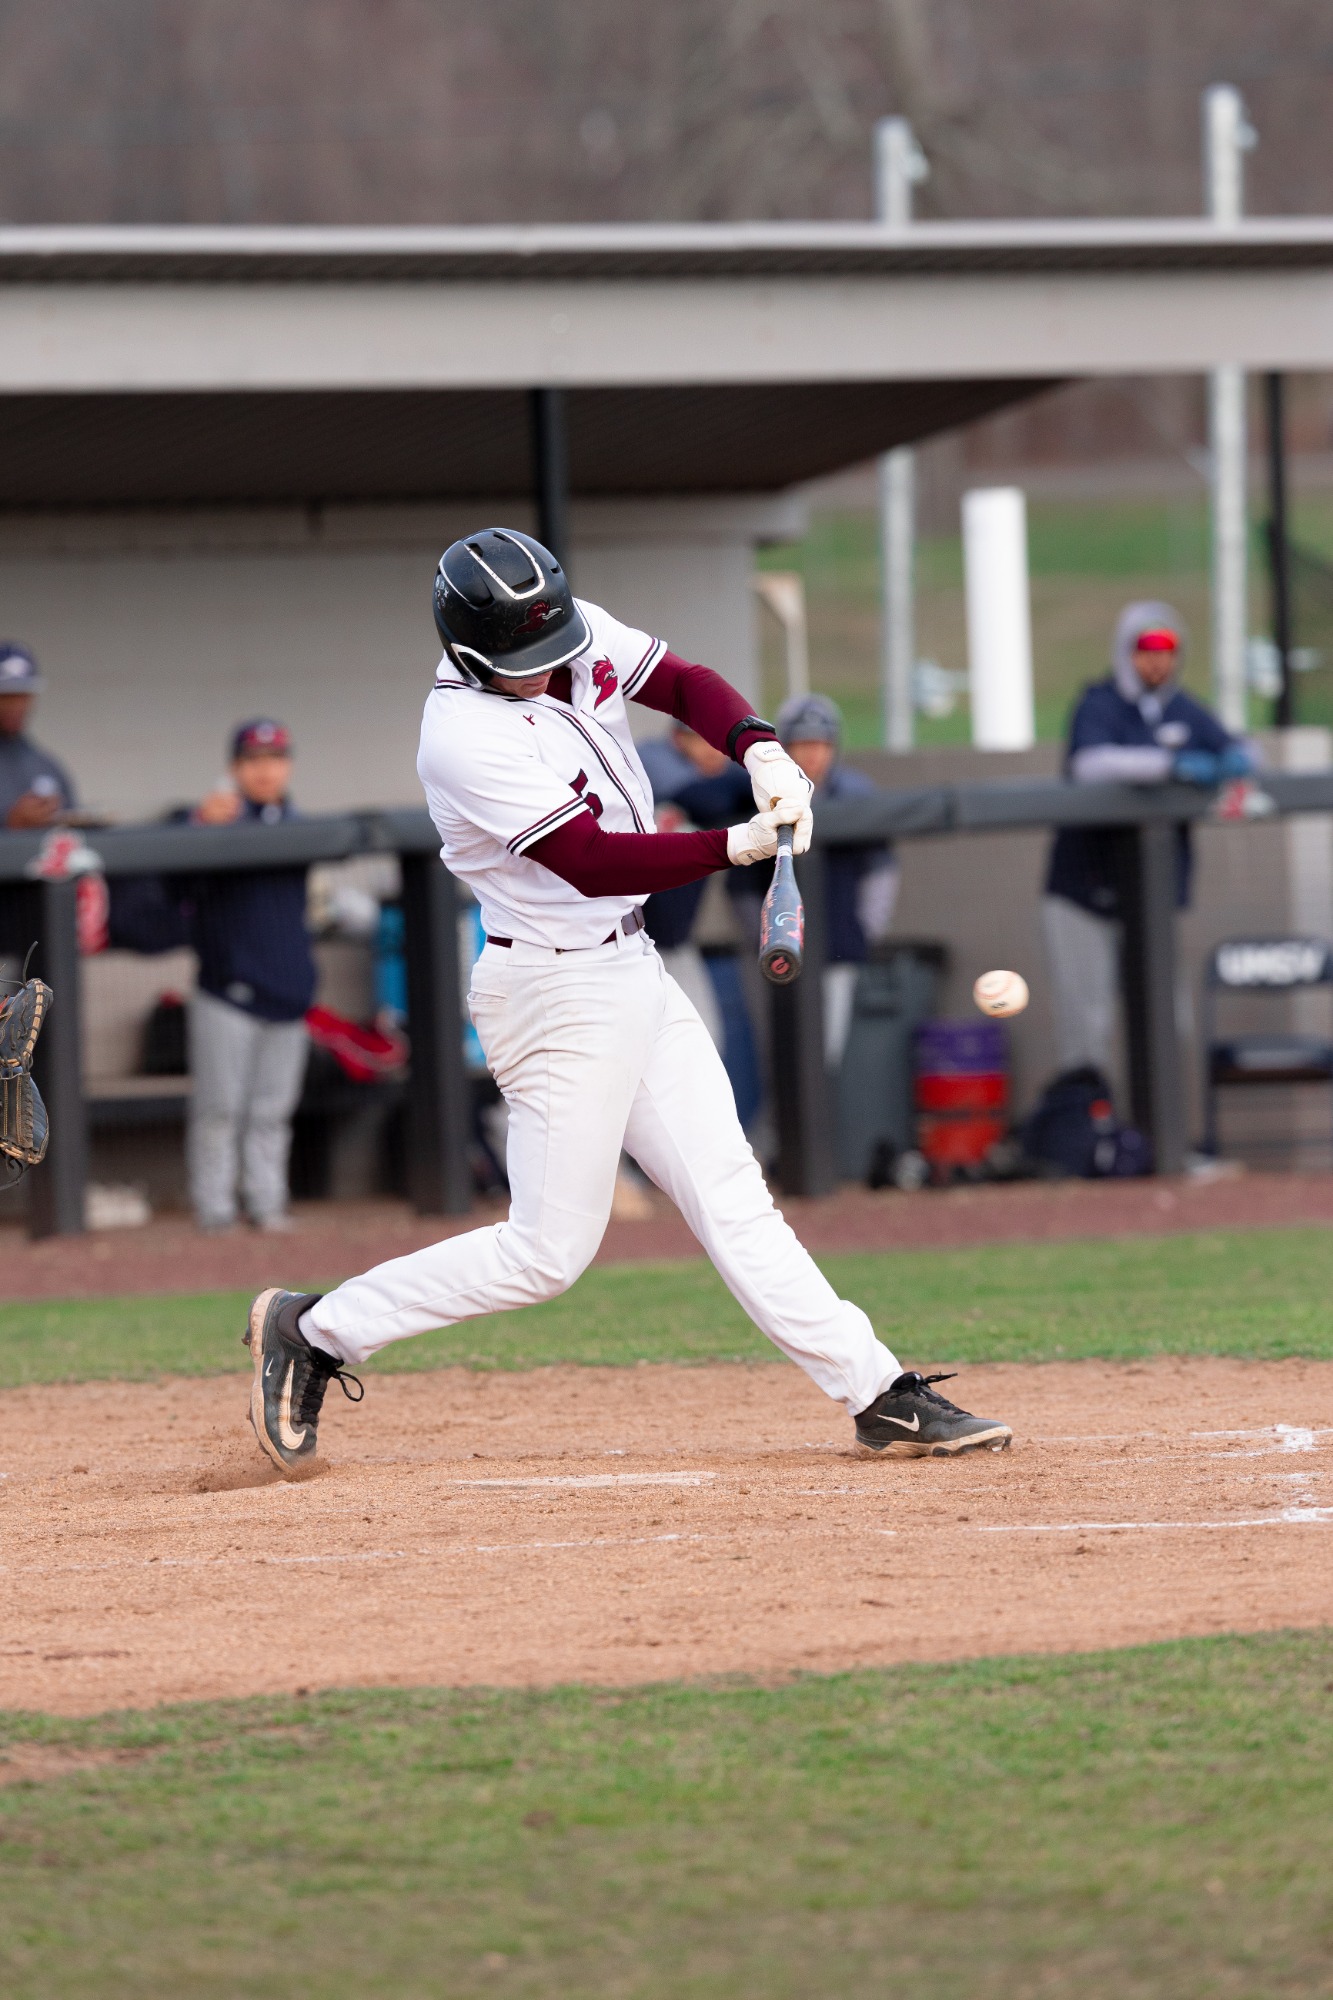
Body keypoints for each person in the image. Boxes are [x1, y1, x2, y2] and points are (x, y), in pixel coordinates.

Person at [243, 527, 1012, 1470]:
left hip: (632, 969)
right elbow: (590, 861)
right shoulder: (459, 739)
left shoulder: (561, 628)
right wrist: (734, 845)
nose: (546, 667)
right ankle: (314, 1331)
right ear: (470, 652)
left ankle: (876, 1391)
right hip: (552, 988)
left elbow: (681, 682)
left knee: (733, 1197)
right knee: (545, 1255)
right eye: (522, 660)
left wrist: (758, 749)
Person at [1043, 601, 1255, 1077]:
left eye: (1167, 651)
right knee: (1088, 1024)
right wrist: (1168, 766)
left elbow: (1238, 748)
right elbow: (1089, 765)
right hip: (1084, 892)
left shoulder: (1182, 708)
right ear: (1125, 653)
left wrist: (1235, 759)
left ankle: (1162, 1125)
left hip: (1150, 895)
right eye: (1145, 651)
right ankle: (1091, 1121)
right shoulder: (1100, 703)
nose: (1157, 662)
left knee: (1166, 1020)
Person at [183, 719, 316, 1232]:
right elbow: (172, 887)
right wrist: (201, 826)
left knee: (272, 1111)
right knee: (219, 1109)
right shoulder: (211, 822)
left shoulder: (299, 825)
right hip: (226, 992)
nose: (265, 770)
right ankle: (215, 1211)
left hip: (288, 992)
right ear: (235, 768)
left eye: (275, 759)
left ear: (289, 765)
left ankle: (268, 1204)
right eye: (254, 760)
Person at [770, 693, 899, 1068]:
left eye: (822, 743)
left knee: (825, 1054)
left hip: (836, 947)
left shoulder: (854, 794)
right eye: (804, 743)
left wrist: (864, 931)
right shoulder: (762, 794)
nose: (814, 754)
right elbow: (742, 888)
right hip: (777, 951)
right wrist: (761, 938)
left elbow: (881, 871)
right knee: (779, 1054)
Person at [0, 644, 81, 969]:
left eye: (23, 694)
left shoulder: (44, 764)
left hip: (38, 921)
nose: (16, 704)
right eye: (6, 694)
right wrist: (9, 826)